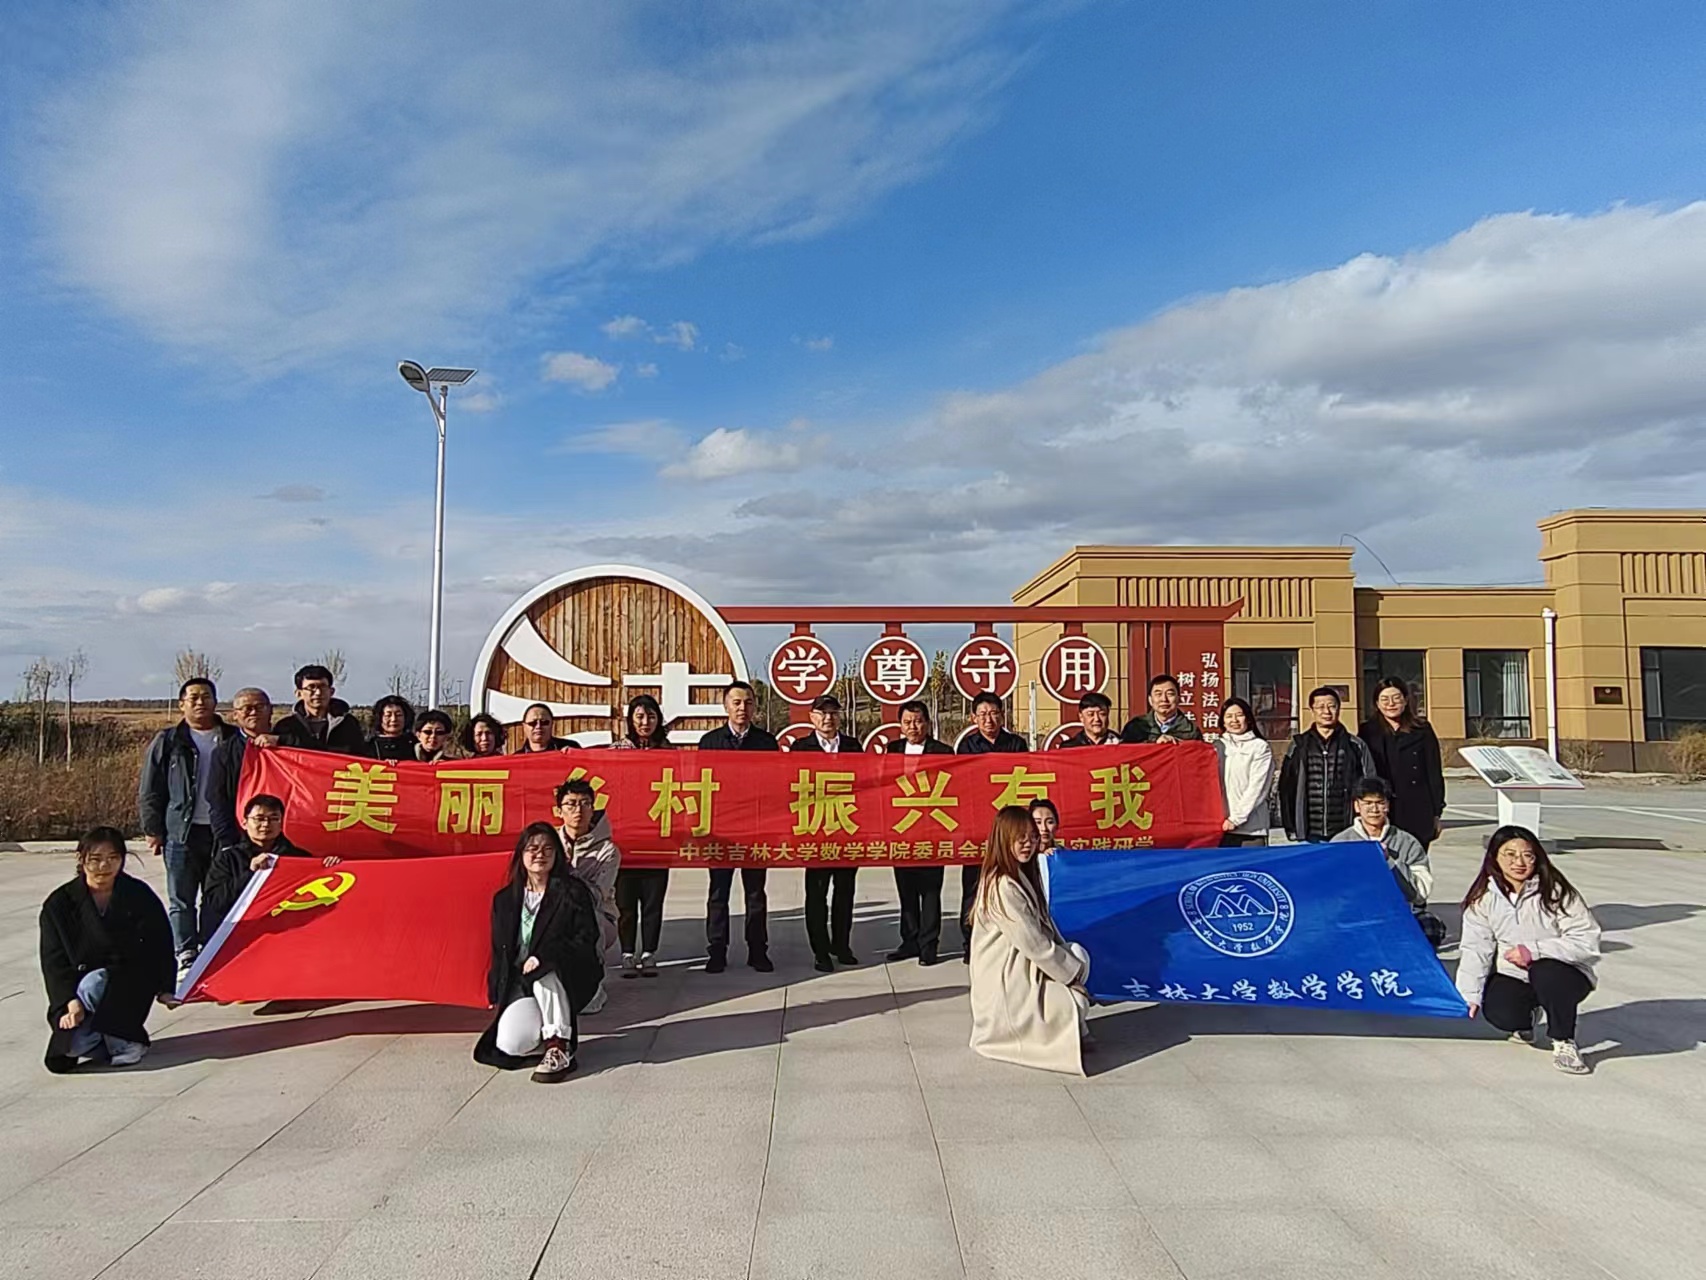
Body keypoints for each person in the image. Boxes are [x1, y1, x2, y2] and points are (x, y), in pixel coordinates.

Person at [1457, 826, 1602, 1075]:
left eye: (1527, 855)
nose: (1519, 862)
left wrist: (1533, 951)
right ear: (1494, 857)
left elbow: (1587, 941)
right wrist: (1469, 994)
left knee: (1545, 972)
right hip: (1515, 974)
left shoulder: (1556, 892)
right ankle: (1527, 1018)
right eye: (1510, 854)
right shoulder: (1482, 899)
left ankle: (1563, 1040)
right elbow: (1476, 948)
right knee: (1500, 1012)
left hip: (1565, 973)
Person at [473, 823, 604, 1082]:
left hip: (566, 975)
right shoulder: (505, 900)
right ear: (521, 854)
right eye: (532, 848)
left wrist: (544, 956)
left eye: (547, 849)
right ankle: (545, 1035)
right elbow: (500, 950)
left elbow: (586, 938)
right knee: (510, 1045)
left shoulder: (572, 892)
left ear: (557, 855)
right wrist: (496, 988)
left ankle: (559, 1045)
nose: (540, 854)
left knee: (546, 969)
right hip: (522, 983)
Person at [967, 806, 1092, 1075]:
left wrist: (1072, 970)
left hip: (1022, 969)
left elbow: (1047, 930)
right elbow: (1035, 945)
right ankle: (1065, 1032)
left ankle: (1074, 1030)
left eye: (1032, 837)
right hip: (1007, 981)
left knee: (1078, 955)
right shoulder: (1002, 885)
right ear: (1004, 839)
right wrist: (1071, 977)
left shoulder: (1020, 874)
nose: (1028, 844)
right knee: (1077, 1000)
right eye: (1020, 838)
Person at [40, 828, 175, 1073]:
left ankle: (124, 1043)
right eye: (96, 859)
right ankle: (123, 1039)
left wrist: (165, 987)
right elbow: (53, 961)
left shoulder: (138, 895)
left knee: (96, 982)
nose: (104, 866)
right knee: (71, 1048)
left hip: (129, 983)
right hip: (79, 991)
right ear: (81, 859)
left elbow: (160, 944)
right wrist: (69, 1001)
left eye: (113, 858)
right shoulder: (59, 903)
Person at [138, 677, 238, 981]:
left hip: (221, 831)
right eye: (193, 697)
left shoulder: (232, 737)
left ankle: (212, 949)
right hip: (181, 831)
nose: (200, 702)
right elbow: (150, 788)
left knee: (216, 896)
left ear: (216, 702)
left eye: (206, 696)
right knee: (181, 898)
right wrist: (152, 829)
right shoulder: (169, 740)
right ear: (182, 704)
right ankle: (185, 953)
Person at [697, 681, 776, 974]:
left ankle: (758, 950)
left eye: (748, 703)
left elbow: (776, 786)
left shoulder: (766, 743)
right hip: (721, 828)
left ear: (755, 707)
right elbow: (700, 784)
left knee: (755, 893)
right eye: (737, 702)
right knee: (719, 892)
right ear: (726, 706)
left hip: (756, 828)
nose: (743, 708)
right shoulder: (710, 742)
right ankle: (717, 950)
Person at [199, 794, 340, 943]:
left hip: (285, 935)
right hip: (240, 936)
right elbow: (214, 901)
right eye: (259, 818)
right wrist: (251, 874)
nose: (266, 824)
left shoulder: (297, 857)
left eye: (274, 819)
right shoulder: (229, 858)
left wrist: (330, 868)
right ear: (245, 822)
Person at [791, 694, 862, 972]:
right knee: (817, 894)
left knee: (845, 892)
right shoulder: (800, 748)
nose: (828, 718)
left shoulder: (853, 747)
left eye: (833, 713)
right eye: (822, 713)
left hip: (846, 828)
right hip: (815, 829)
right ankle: (820, 951)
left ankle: (842, 945)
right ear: (812, 717)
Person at [1330, 777, 1445, 947]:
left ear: (1388, 806)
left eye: (1380, 803)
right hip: (1353, 916)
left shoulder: (1407, 842)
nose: (1374, 809)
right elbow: (1330, 890)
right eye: (1368, 803)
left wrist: (1390, 862)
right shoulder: (1340, 842)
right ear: (1357, 806)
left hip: (1395, 914)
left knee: (1431, 927)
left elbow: (1420, 894)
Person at [957, 691, 1028, 963]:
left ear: (1002, 715)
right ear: (973, 718)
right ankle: (970, 942)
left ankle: (1015, 938)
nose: (989, 719)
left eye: (994, 713)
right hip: (977, 827)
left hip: (1009, 828)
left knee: (1012, 884)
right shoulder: (967, 747)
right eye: (983, 714)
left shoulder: (1016, 744)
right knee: (974, 887)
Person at [883, 701, 951, 965]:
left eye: (918, 721)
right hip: (901, 828)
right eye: (907, 722)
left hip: (932, 827)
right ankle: (909, 940)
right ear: (900, 725)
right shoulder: (893, 750)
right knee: (906, 890)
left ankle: (929, 944)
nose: (913, 727)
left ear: (928, 723)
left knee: (931, 891)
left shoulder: (942, 752)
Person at [610, 696, 670, 977]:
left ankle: (649, 952)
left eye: (651, 716)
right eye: (640, 717)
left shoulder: (669, 752)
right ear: (631, 720)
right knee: (625, 901)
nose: (645, 723)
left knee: (653, 900)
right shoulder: (616, 751)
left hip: (657, 837)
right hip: (625, 839)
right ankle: (627, 952)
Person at [1278, 687, 1376, 844]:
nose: (1326, 711)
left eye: (1331, 706)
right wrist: (1290, 826)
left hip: (1347, 829)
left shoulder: (1355, 745)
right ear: (1312, 710)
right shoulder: (1299, 745)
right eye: (1320, 707)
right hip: (1309, 831)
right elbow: (1286, 788)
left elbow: (1370, 784)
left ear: (1339, 709)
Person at [1359, 677, 1446, 849]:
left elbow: (1433, 772)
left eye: (1396, 698)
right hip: (1383, 808)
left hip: (1417, 808)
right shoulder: (1368, 731)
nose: (1391, 704)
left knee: (1415, 859)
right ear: (1377, 704)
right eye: (1384, 699)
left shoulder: (1422, 729)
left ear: (1405, 700)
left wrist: (1437, 812)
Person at [557, 778, 620, 1014]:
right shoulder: (549, 843)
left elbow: (596, 895)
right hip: (556, 913)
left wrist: (567, 873)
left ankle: (593, 984)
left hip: (599, 917)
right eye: (571, 804)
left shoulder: (608, 851)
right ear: (559, 811)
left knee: (588, 920)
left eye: (585, 803)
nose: (578, 810)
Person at [207, 686, 277, 855]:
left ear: (271, 710)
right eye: (246, 708)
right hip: (239, 838)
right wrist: (228, 843)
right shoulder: (224, 752)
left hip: (281, 837)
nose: (253, 712)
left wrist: (281, 741)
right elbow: (217, 800)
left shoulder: (290, 745)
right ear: (235, 715)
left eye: (260, 707)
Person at [1216, 696, 1274, 847]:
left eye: (1239, 715)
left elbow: (1257, 788)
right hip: (1220, 827)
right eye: (1229, 716)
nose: (1234, 720)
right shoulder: (1217, 746)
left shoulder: (1259, 747)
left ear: (1248, 719)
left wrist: (1236, 819)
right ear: (1223, 721)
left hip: (1251, 829)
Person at [273, 664, 367, 754]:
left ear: (331, 691)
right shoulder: (286, 726)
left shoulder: (348, 724)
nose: (318, 692)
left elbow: (360, 756)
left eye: (323, 687)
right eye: (311, 687)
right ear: (299, 693)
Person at [1120, 674, 1203, 744]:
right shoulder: (1135, 727)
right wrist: (1154, 742)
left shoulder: (1191, 730)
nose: (1164, 699)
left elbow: (1198, 754)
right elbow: (1125, 753)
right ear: (1150, 700)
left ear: (1178, 699)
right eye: (1158, 694)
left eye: (1170, 694)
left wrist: (1178, 744)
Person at [516, 702, 581, 753]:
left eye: (544, 722)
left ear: (552, 724)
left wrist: (573, 755)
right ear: (524, 726)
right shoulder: (517, 759)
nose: (538, 726)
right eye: (533, 723)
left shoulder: (571, 748)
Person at [367, 696, 417, 761]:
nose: (393, 719)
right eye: (388, 715)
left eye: (398, 715)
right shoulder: (370, 746)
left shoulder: (415, 745)